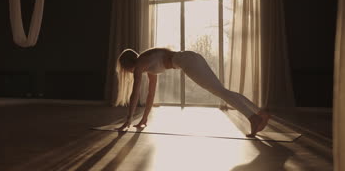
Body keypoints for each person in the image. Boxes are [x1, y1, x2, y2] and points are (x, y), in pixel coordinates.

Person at [115, 47, 270, 137]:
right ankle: (261, 113)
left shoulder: (141, 63)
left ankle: (253, 118)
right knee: (223, 91)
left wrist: (128, 120)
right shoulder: (146, 64)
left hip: (187, 61)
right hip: (191, 57)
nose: (128, 73)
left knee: (221, 92)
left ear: (128, 64)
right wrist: (144, 119)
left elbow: (135, 93)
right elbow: (150, 94)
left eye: (125, 70)